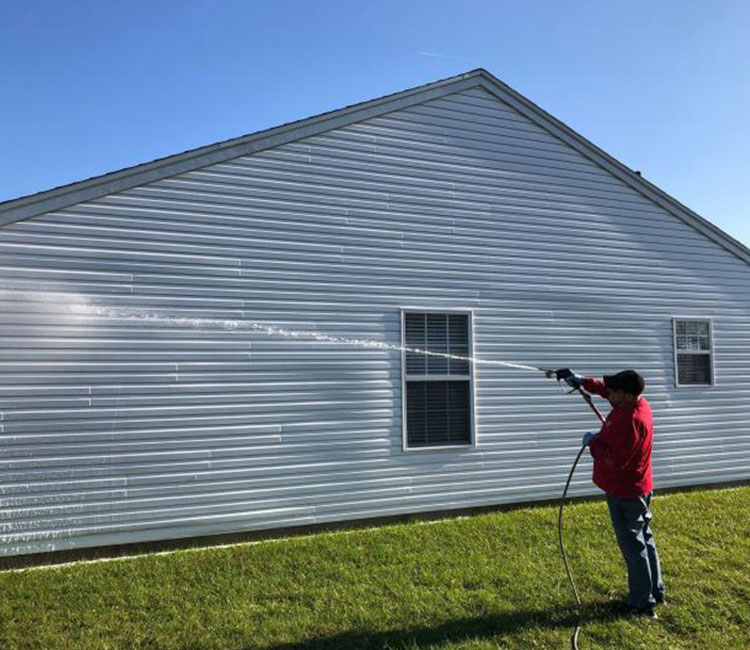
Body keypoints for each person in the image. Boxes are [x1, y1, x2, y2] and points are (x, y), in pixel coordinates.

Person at [557, 368, 666, 619]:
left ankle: (641, 603)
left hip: (626, 492)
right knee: (644, 538)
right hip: (639, 487)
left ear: (627, 396)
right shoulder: (634, 403)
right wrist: (582, 381)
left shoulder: (631, 421)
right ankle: (655, 591)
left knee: (633, 545)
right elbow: (606, 391)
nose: (610, 394)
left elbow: (615, 461)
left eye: (615, 391)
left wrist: (592, 442)